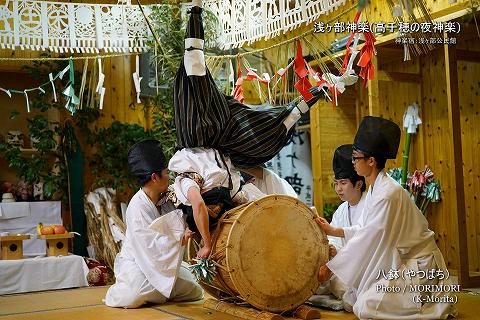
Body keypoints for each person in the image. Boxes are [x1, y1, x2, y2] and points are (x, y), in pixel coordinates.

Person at [170, 0, 322, 259]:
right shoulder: (205, 175)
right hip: (225, 166)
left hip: (217, 156)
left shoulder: (198, 167)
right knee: (259, 139)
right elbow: (208, 202)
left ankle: (305, 242)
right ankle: (300, 107)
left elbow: (199, 203)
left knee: (195, 67)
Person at [316, 116, 456, 319]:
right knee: (355, 299)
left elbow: (368, 239)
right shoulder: (377, 188)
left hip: (418, 266)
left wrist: (330, 268)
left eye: (356, 157)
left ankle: (430, 304)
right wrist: (333, 231)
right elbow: (365, 229)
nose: (353, 162)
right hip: (401, 262)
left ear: (371, 161)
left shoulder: (388, 193)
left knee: (365, 306)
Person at [105, 140, 203, 308]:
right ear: (155, 177)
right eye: (166, 172)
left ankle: (165, 288)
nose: (170, 176)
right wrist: (179, 239)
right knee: (133, 296)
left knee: (195, 291)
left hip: (163, 264)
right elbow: (150, 248)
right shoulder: (137, 208)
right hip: (137, 263)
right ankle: (121, 290)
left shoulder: (168, 197)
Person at [311, 144, 367, 309]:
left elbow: (366, 241)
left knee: (341, 288)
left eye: (343, 183)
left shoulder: (370, 204)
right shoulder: (341, 210)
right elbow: (335, 240)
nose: (338, 189)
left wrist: (339, 257)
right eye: (336, 183)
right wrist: (333, 249)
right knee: (317, 282)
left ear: (358, 184)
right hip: (345, 266)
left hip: (364, 267)